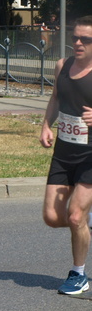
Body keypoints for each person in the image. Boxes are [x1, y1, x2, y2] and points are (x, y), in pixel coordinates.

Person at [39, 16, 92, 296]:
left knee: (74, 217)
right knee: (51, 216)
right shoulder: (63, 65)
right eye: (75, 38)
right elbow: (57, 98)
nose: (79, 43)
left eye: (86, 39)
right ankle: (85, 220)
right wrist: (47, 125)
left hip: (91, 155)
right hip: (64, 151)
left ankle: (78, 274)